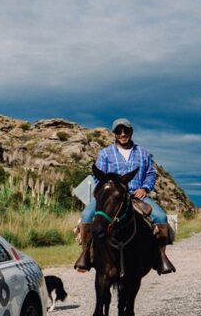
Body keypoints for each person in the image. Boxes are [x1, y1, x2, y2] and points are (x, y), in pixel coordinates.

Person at [75, 117, 175, 275]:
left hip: (137, 196)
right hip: (110, 197)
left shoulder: (143, 153)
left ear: (131, 132)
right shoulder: (105, 154)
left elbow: (150, 174)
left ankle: (160, 256)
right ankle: (86, 255)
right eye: (118, 131)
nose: (122, 134)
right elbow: (98, 177)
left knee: (161, 217)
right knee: (87, 215)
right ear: (114, 134)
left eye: (126, 130)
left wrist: (145, 188)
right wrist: (109, 189)